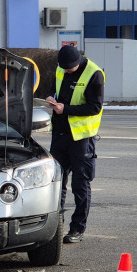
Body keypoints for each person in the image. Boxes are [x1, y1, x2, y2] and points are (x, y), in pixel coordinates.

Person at [45, 45, 104, 244]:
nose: (67, 70)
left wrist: (65, 109)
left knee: (81, 185)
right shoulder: (61, 68)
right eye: (64, 68)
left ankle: (77, 229)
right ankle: (55, 226)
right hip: (60, 135)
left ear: (78, 61)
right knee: (56, 183)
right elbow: (56, 90)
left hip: (81, 139)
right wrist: (52, 100)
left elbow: (95, 107)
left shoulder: (94, 74)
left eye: (70, 68)